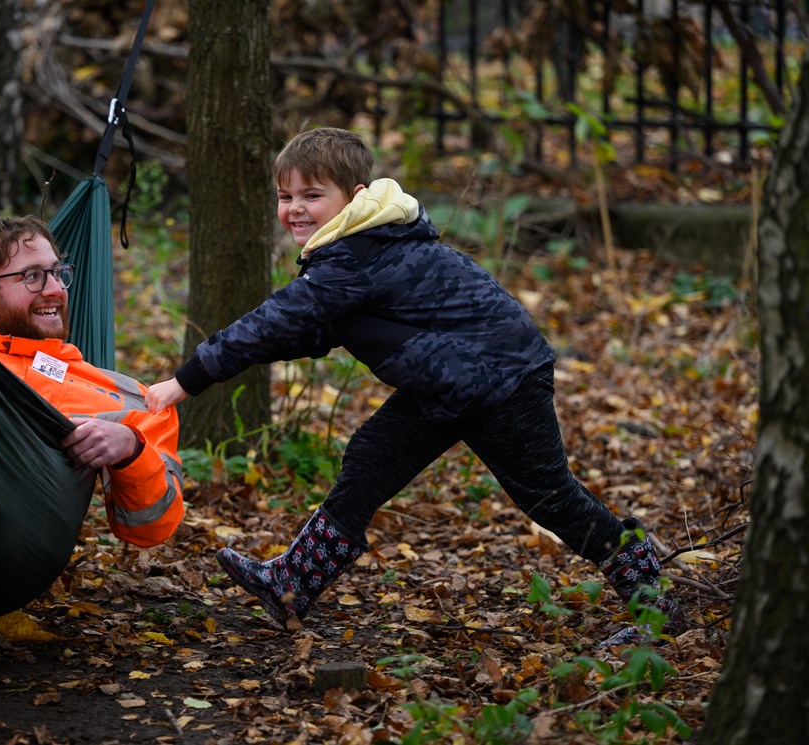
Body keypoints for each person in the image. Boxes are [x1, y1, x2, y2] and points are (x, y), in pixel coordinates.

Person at [145, 127, 683, 645]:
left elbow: (272, 322)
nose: (295, 209)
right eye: (285, 196)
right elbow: (308, 327)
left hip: (502, 378)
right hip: (451, 381)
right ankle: (292, 585)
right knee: (372, 453)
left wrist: (184, 382)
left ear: (352, 197)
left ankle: (653, 602)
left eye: (312, 194)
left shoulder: (358, 254)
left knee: (550, 497)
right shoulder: (355, 248)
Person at [0, 215, 184, 547]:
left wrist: (131, 449)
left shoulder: (133, 400)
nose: (56, 290)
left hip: (18, 566)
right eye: (32, 277)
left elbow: (154, 528)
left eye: (57, 273)